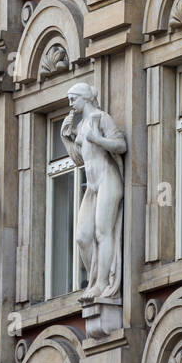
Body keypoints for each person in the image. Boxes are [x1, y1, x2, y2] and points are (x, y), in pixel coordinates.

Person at [61, 83, 127, 302]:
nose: (70, 104)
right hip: (92, 185)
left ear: (85, 99)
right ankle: (93, 278)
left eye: (73, 99)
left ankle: (101, 283)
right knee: (82, 237)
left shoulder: (101, 118)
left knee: (102, 232)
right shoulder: (81, 125)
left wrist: (97, 138)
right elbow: (80, 159)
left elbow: (120, 145)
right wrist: (67, 138)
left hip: (108, 179)